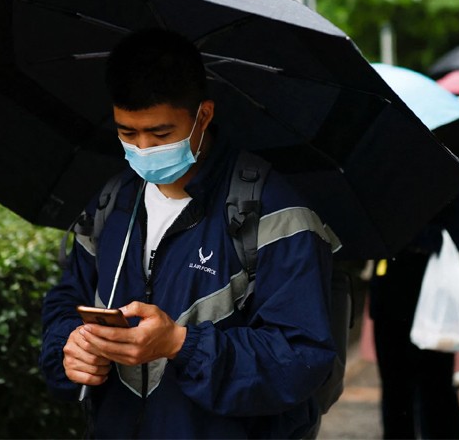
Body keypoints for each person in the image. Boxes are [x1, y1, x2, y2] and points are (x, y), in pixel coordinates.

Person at [40, 29, 337, 438]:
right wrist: (68, 346)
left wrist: (180, 344)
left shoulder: (273, 211)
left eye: (160, 134)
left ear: (203, 115)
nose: (143, 149)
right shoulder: (111, 204)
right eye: (127, 133)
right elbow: (67, 298)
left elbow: (301, 358)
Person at [369, 195, 459, 439]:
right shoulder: (380, 180)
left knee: (437, 387)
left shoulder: (441, 174)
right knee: (395, 389)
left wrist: (407, 235)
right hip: (389, 292)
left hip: (432, 295)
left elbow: (456, 236)